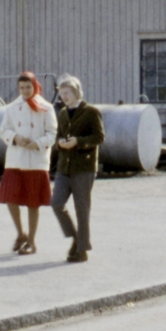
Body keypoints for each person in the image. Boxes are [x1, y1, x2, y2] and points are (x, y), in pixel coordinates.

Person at [0, 72, 58, 255]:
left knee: (33, 202)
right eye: (22, 88)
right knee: (10, 198)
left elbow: (52, 133)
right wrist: (15, 138)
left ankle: (31, 241)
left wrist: (37, 143)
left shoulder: (46, 107)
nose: (25, 91)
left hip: (36, 161)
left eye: (28, 87)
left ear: (35, 86)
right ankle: (21, 233)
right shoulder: (11, 108)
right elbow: (3, 130)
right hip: (16, 159)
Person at [52, 75, 104, 263]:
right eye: (61, 93)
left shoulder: (91, 112)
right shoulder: (63, 113)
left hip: (84, 167)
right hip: (64, 167)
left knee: (82, 209)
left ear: (76, 92)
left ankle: (82, 250)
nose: (64, 97)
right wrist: (60, 143)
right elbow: (58, 136)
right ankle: (75, 237)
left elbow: (99, 137)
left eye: (67, 92)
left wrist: (78, 142)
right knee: (56, 203)